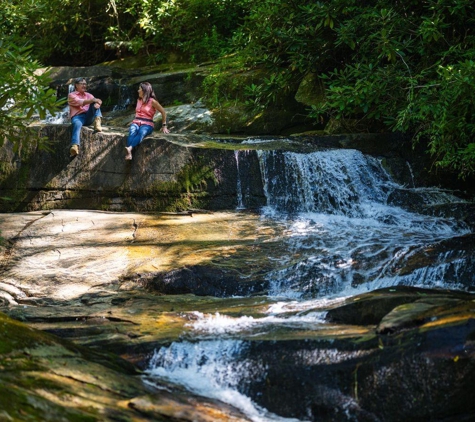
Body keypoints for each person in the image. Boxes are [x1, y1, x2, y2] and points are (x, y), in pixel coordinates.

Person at [125, 82, 169, 160]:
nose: (138, 91)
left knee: (142, 132)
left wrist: (164, 126)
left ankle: (129, 148)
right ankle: (129, 152)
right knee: (132, 131)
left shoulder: (152, 101)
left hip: (147, 124)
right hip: (136, 122)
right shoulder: (138, 100)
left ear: (144, 90)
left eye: (140, 89)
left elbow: (163, 112)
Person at [68, 77, 103, 157]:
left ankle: (98, 122)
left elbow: (95, 101)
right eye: (82, 84)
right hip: (78, 117)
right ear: (76, 85)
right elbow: (80, 102)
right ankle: (75, 146)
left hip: (88, 117)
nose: (84, 85)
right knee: (77, 124)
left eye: (85, 84)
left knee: (95, 103)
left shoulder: (88, 95)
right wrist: (93, 100)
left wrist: (98, 102)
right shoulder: (71, 95)